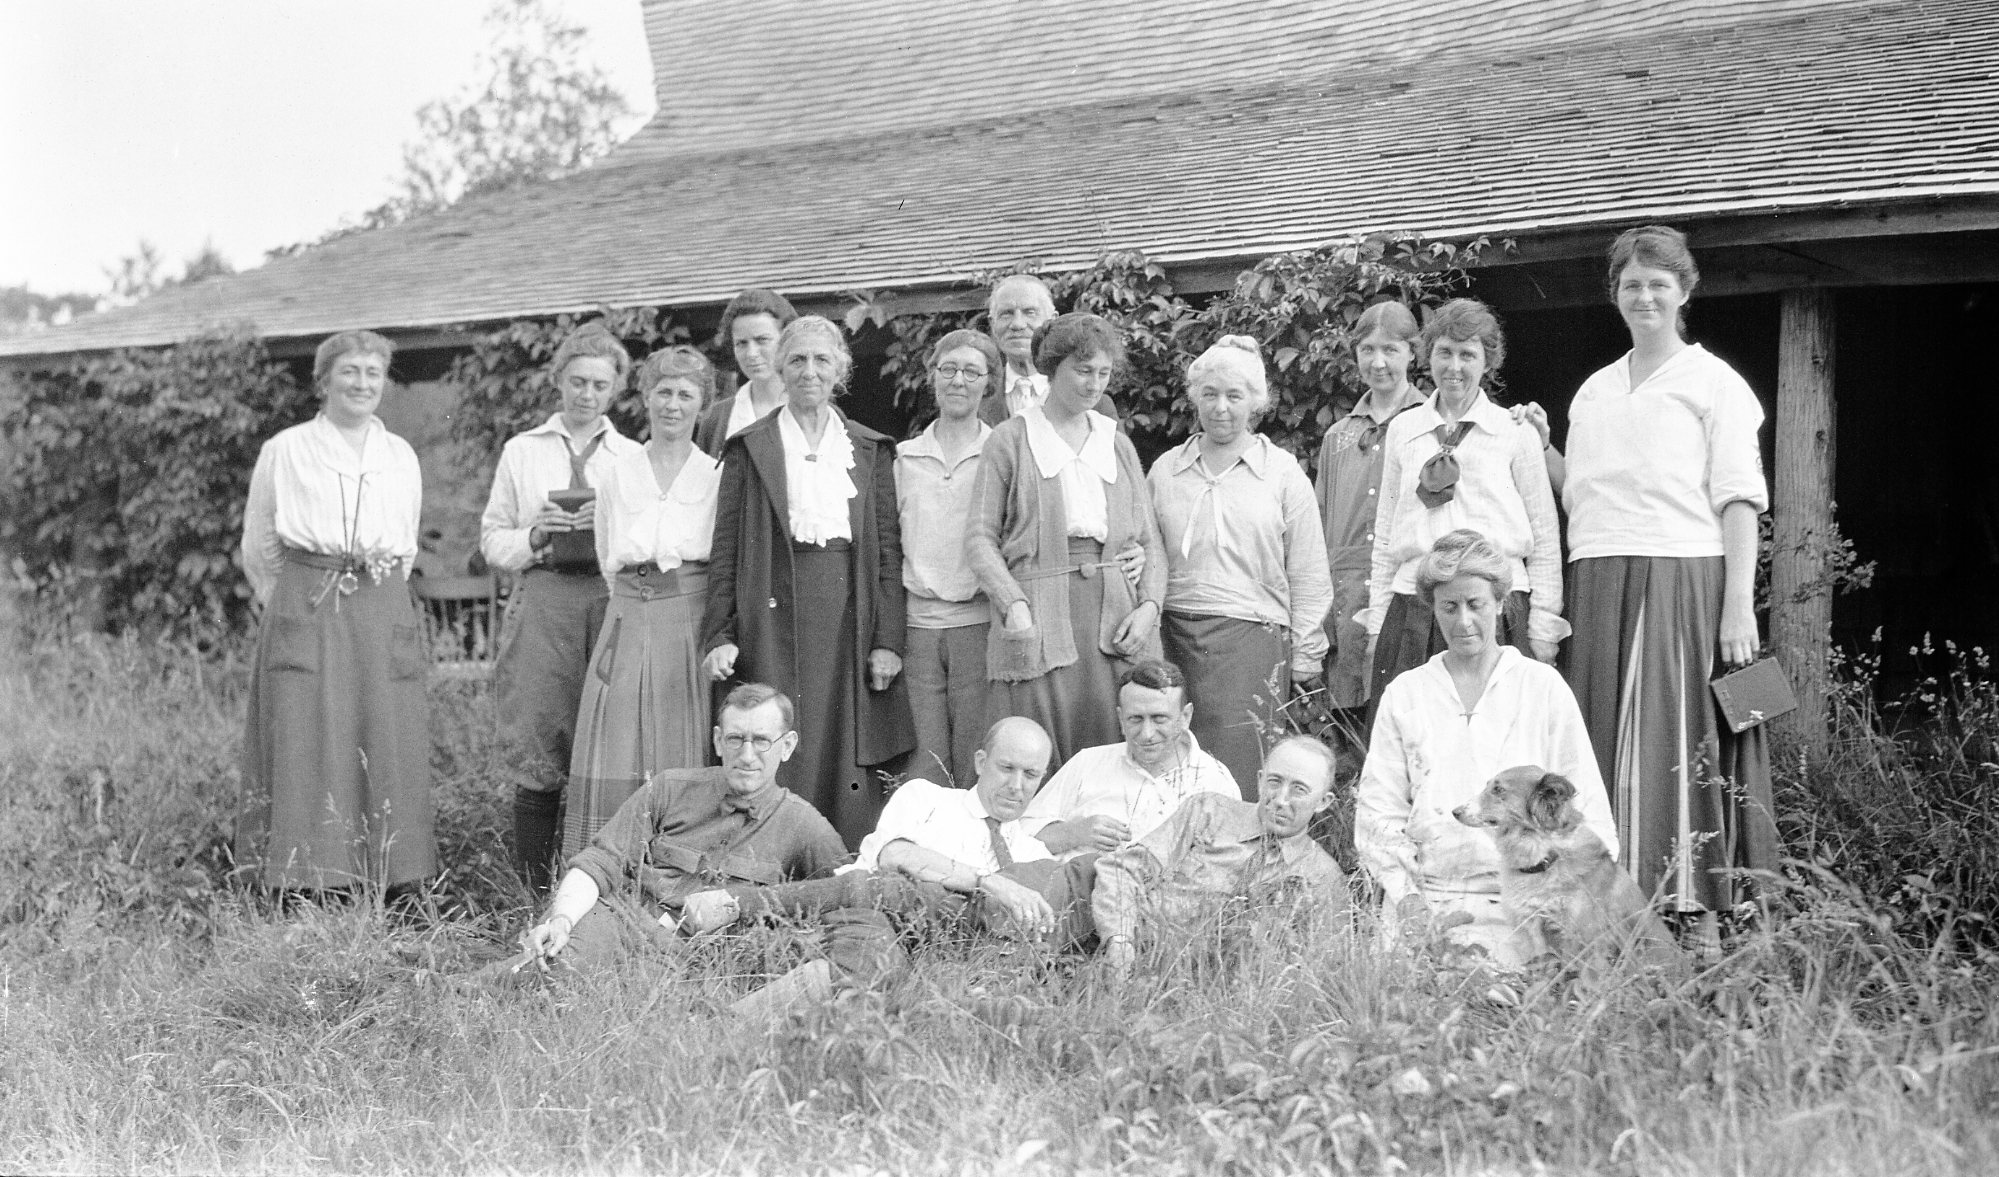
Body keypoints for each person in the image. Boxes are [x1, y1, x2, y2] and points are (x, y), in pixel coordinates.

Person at [1534, 225, 1779, 955]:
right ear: (1614, 294)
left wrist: (1738, 604)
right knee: (1603, 736)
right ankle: (1608, 909)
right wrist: (1537, 443)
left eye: (1657, 284)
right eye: (1630, 284)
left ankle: (1695, 909)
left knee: (1683, 733)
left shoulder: (1713, 383)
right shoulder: (1593, 389)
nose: (1643, 296)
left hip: (1682, 574)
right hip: (1600, 574)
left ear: (1683, 291)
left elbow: (1739, 499)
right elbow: (1582, 496)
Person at [675, 716, 1097, 1012]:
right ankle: (730, 1022)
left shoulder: (1034, 856)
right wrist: (989, 882)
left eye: (1031, 774)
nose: (1016, 785)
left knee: (884, 982)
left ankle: (728, 1023)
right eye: (1007, 768)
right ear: (982, 762)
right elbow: (896, 857)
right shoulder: (927, 797)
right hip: (868, 908)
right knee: (874, 960)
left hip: (935, 948)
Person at [701, 315, 915, 848]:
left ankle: (839, 863)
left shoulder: (869, 449)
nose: (809, 371)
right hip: (770, 615)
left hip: (848, 612)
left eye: (822, 360)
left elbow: (889, 553)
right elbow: (725, 550)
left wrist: (888, 641)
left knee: (842, 744)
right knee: (776, 732)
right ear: (780, 368)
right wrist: (720, 634)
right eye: (797, 360)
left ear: (840, 369)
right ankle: (766, 860)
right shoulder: (749, 448)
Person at [1355, 530, 1616, 966]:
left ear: (1500, 601)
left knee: (1515, 1009)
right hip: (1428, 900)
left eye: (1475, 605)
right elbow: (1378, 812)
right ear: (1432, 608)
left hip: (1531, 901)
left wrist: (1565, 910)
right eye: (1449, 607)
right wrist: (1409, 902)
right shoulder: (1406, 693)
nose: (1463, 622)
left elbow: (1585, 804)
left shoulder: (1541, 686)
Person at [237, 329, 436, 896]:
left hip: (380, 603)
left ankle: (392, 878)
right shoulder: (287, 448)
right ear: (324, 381)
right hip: (309, 599)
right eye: (350, 371)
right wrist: (297, 601)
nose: (363, 383)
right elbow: (260, 548)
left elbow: (407, 543)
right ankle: (302, 882)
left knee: (384, 733)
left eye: (373, 373)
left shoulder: (400, 455)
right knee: (305, 734)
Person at [520, 684, 850, 970]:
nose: (747, 756)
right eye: (736, 739)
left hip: (700, 965)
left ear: (788, 746)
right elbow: (599, 863)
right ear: (719, 741)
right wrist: (561, 919)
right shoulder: (670, 789)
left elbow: (845, 902)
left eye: (762, 741)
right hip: (625, 926)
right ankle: (473, 991)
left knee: (563, 975)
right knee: (560, 960)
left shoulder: (807, 828)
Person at [481, 324, 642, 893]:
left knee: (607, 738)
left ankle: (599, 884)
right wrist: (535, 535)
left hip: (609, 600)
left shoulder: (633, 456)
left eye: (600, 384)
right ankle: (531, 890)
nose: (587, 394)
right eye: (577, 381)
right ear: (559, 381)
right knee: (540, 739)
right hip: (544, 600)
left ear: (616, 389)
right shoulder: (524, 451)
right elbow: (492, 541)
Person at [968, 312, 1165, 767]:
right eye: (1082, 371)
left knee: (1116, 749)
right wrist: (1014, 605)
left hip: (1116, 613)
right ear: (1050, 370)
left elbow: (1150, 543)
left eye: (1103, 373)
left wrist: (1150, 607)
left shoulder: (1116, 444)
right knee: (1040, 753)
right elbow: (980, 538)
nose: (1094, 384)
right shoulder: (1010, 440)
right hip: (1040, 611)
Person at [1361, 298, 1566, 711]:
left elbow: (1544, 533)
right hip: (1416, 609)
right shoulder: (1404, 430)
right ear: (1429, 355)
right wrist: (1379, 618)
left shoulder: (1514, 431)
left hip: (1497, 609)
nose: (1454, 367)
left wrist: (1543, 623)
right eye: (1445, 353)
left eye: (1468, 355)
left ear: (1488, 361)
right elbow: (1386, 531)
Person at [1149, 335, 1332, 794]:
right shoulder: (1166, 470)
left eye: (1234, 396)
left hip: (1251, 643)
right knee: (1169, 763)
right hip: (1173, 638)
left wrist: (1307, 655)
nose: (1221, 408)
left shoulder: (1283, 472)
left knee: (1237, 770)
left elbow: (1309, 572)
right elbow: (1145, 554)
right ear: (1194, 398)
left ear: (1256, 402)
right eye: (1209, 395)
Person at [562, 346, 724, 857]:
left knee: (681, 732)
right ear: (645, 398)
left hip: (689, 614)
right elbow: (608, 555)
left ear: (702, 404)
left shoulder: (716, 474)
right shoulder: (618, 474)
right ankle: (603, 866)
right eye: (662, 392)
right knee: (615, 732)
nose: (672, 405)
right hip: (628, 611)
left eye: (685, 394)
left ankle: (676, 867)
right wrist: (633, 607)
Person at [1093, 735, 1352, 976]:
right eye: (1274, 782)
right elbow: (1122, 870)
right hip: (1135, 956)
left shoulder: (1323, 878)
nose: (1281, 800)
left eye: (1299, 790)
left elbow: (1324, 966)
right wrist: (1119, 940)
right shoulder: (1208, 812)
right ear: (1260, 780)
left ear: (1323, 802)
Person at [896, 330, 999, 785]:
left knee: (977, 751)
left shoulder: (1003, 453)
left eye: (972, 372)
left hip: (981, 625)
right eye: (948, 369)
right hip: (918, 627)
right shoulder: (902, 459)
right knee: (924, 759)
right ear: (932, 377)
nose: (959, 381)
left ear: (988, 382)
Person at [1317, 302, 1426, 727]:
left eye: (1391, 350)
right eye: (1367, 349)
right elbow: (1321, 525)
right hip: (1345, 598)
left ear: (1413, 353)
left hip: (1404, 593)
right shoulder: (1338, 436)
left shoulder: (1429, 423)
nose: (1377, 362)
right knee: (1348, 726)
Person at [1017, 659, 1238, 860]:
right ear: (1121, 719)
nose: (1147, 733)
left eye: (1159, 718)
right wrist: (1075, 833)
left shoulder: (1214, 780)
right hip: (1075, 895)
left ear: (1185, 717)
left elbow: (1231, 861)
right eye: (1135, 719)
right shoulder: (1088, 763)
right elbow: (1017, 836)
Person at [694, 288, 798, 455]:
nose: (751, 353)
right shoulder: (716, 419)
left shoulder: (816, 409)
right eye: (742, 343)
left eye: (762, 340)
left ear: (787, 340)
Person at [981, 274, 1058, 424]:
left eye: (1030, 312)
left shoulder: (1084, 395)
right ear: (992, 324)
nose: (1017, 324)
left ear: (1052, 321)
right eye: (1006, 314)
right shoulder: (977, 398)